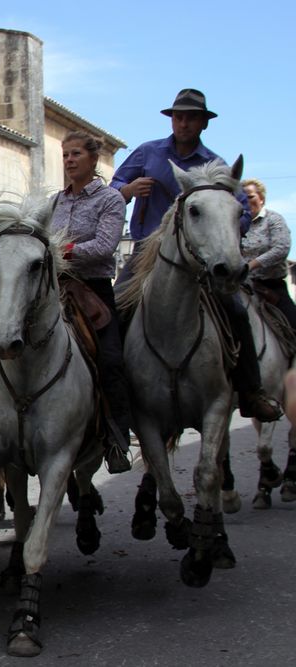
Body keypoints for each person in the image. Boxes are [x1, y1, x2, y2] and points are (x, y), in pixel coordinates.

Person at [111, 88, 281, 422]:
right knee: (111, 309)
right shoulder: (148, 153)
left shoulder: (215, 164)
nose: (183, 123)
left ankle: (250, 390)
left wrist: (225, 230)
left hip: (201, 261)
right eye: (178, 116)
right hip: (147, 253)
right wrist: (128, 191)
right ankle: (113, 400)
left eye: (190, 117)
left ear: (203, 123)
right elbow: (115, 186)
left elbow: (242, 211)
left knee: (237, 311)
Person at [50, 130, 132, 473]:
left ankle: (117, 438)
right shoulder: (55, 201)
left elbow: (103, 246)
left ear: (93, 159)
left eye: (76, 154)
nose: (69, 160)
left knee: (111, 360)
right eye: (66, 154)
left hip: (94, 289)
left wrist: (61, 250)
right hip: (55, 286)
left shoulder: (111, 199)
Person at [240, 178, 296, 330]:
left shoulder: (274, 219)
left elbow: (281, 248)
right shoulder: (235, 224)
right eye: (242, 197)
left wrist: (250, 265)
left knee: (293, 324)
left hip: (271, 287)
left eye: (250, 196)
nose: (246, 201)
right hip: (241, 287)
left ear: (261, 198)